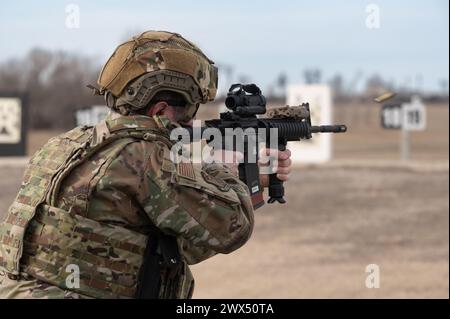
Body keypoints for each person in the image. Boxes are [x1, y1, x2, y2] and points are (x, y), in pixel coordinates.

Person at [0, 30, 292, 299]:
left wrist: (248, 177)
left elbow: (171, 244)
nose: (191, 124)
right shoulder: (144, 158)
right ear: (161, 110)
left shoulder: (66, 144)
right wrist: (219, 170)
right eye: (190, 113)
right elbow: (232, 228)